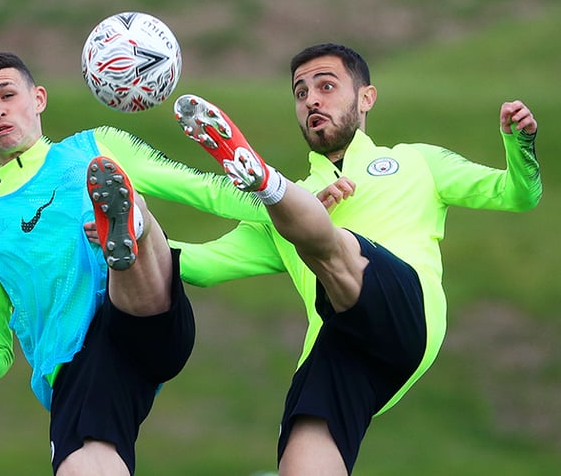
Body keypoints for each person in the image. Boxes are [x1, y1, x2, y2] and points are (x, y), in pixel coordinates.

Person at [171, 42, 542, 475]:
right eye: (301, 92)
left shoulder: (416, 161)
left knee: (332, 238)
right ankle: (280, 200)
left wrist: (521, 146)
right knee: (302, 449)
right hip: (341, 346)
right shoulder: (284, 215)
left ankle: (272, 188)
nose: (311, 98)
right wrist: (135, 246)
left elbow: (519, 195)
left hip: (406, 306)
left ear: (366, 98)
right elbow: (201, 267)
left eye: (326, 85)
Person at [0, 51, 197, 475]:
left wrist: (278, 198)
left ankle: (128, 226)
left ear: (39, 99)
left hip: (146, 313)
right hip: (84, 366)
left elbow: (203, 191)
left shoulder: (91, 149)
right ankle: (126, 228)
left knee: (123, 202)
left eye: (7, 94)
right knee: (83, 464)